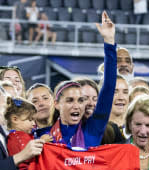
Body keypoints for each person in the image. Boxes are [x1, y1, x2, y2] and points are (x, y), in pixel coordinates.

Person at [47, 12, 117, 148]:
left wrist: (109, 42)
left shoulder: (92, 130)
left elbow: (108, 87)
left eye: (80, 100)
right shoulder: (43, 135)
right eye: (70, 100)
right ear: (56, 104)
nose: (77, 105)